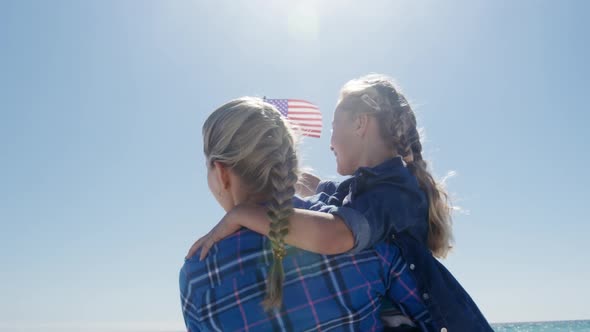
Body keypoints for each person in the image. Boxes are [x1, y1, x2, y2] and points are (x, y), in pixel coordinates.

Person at [188, 75, 494, 331]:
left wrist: (245, 214)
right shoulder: (369, 197)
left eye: (334, 128)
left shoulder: (195, 278)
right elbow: (329, 192)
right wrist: (299, 179)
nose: (330, 141)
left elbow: (334, 233)